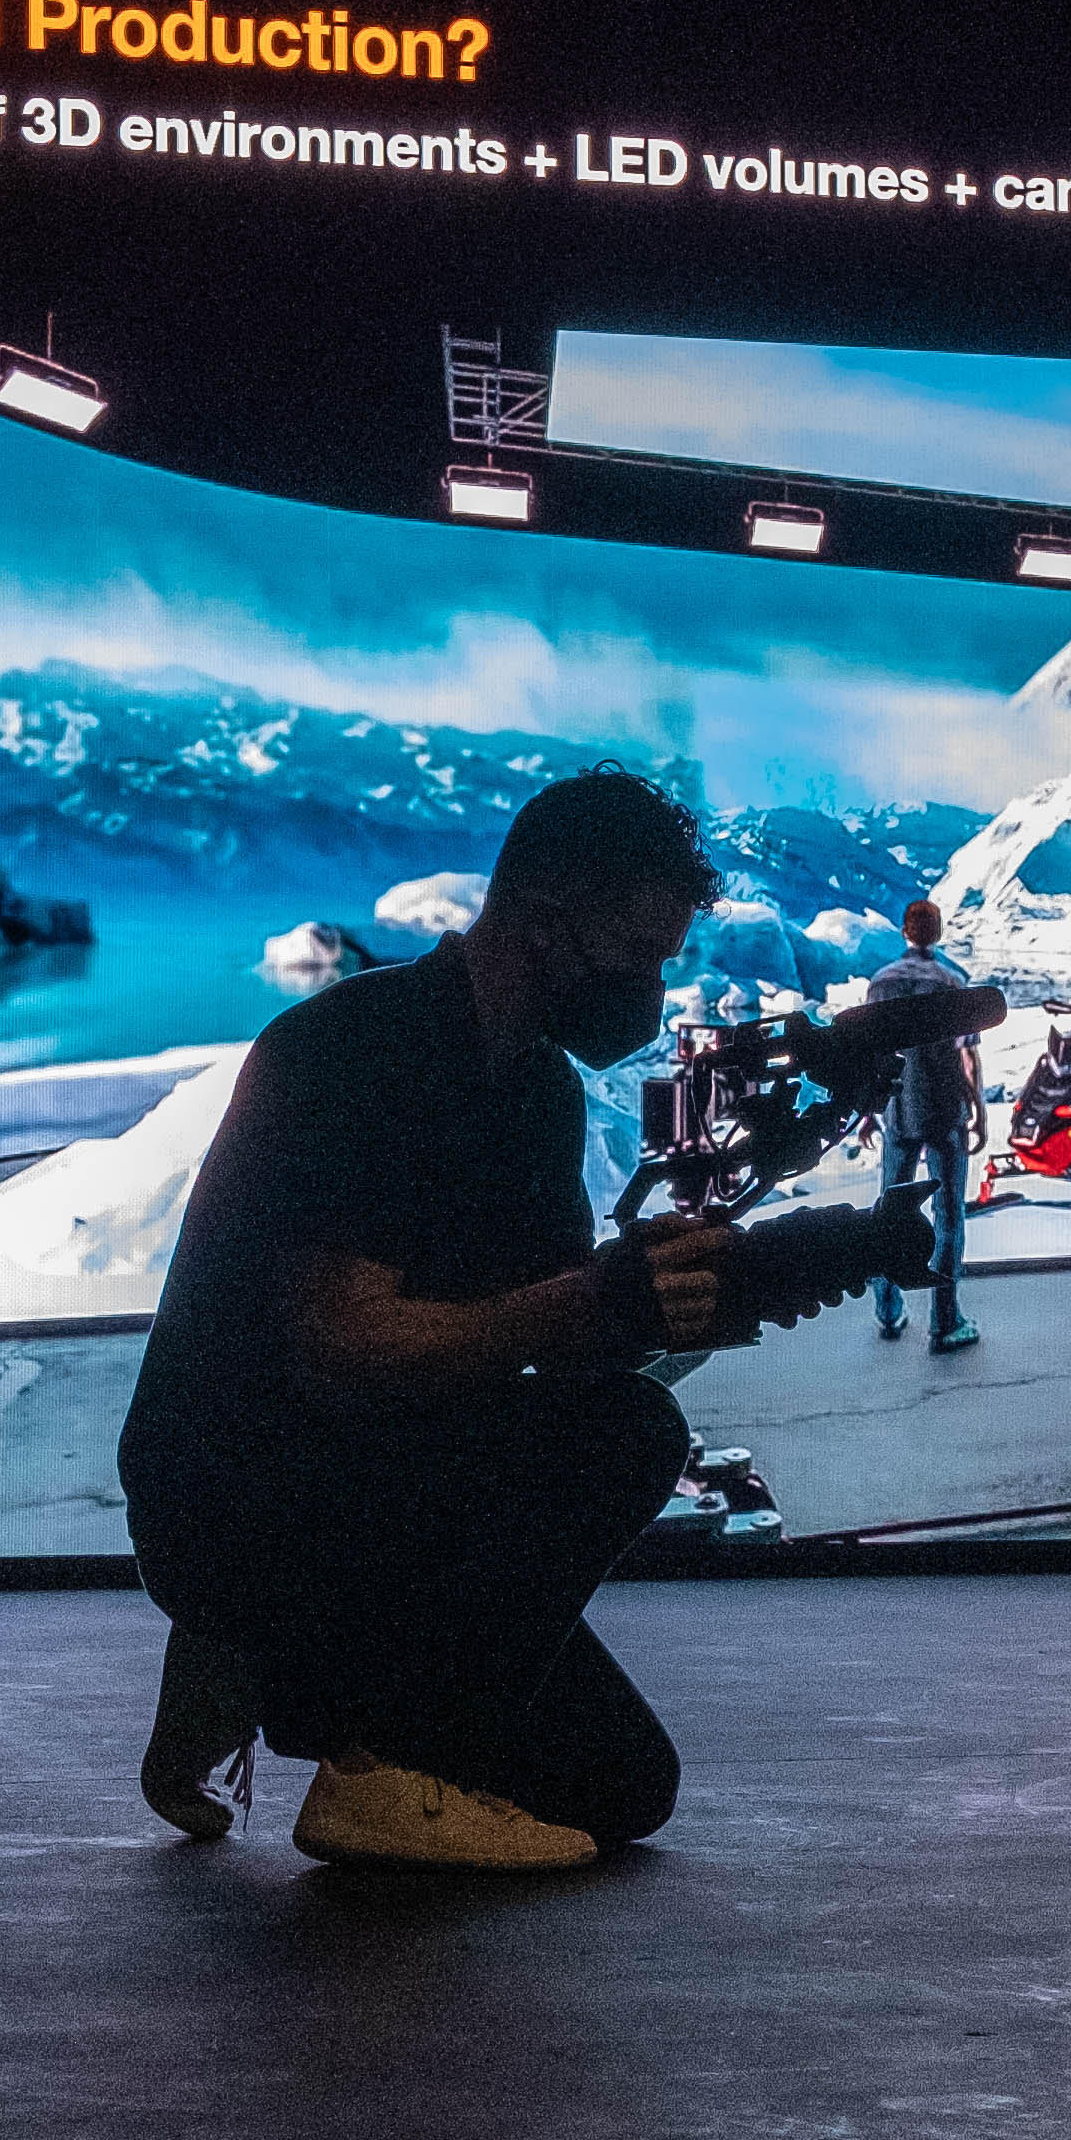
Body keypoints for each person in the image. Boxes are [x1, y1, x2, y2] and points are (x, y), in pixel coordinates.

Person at [119, 768, 734, 1872]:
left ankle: (254, 1671)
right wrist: (590, 1303)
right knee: (630, 1434)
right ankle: (375, 1770)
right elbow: (341, 1347)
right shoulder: (353, 1054)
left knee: (626, 1787)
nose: (650, 989)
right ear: (549, 923)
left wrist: (704, 1292)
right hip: (241, 1501)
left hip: (377, 1479)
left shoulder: (537, 1095)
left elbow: (554, 1341)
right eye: (640, 955)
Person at [857, 898, 982, 1352]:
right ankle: (945, 1322)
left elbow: (870, 1053)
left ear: (904, 931)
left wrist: (867, 1110)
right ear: (938, 932)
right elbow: (967, 1055)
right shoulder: (952, 983)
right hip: (946, 1110)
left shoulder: (880, 984)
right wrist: (980, 1109)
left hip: (897, 1110)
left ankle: (888, 1312)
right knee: (949, 1213)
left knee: (891, 1208)